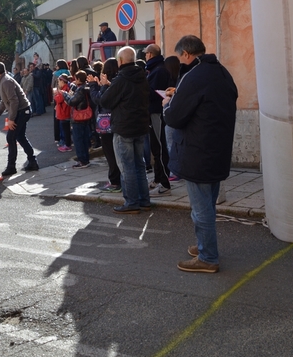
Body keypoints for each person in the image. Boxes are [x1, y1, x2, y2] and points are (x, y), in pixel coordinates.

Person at [163, 35, 237, 274]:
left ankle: (208, 257)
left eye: (180, 57)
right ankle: (205, 246)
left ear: (186, 54)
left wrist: (168, 103)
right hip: (217, 149)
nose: (180, 62)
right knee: (207, 205)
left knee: (201, 208)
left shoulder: (193, 77)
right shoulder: (221, 72)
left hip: (197, 152)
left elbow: (175, 117)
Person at [98, 46, 151, 213]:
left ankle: (132, 202)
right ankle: (144, 200)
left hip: (124, 127)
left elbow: (105, 101)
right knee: (139, 165)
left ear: (120, 61)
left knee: (127, 167)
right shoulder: (142, 75)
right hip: (140, 125)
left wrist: (105, 86)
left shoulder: (121, 79)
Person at [0, 61, 39, 176]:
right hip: (22, 110)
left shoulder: (6, 81)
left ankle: (11, 167)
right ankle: (32, 161)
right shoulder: (4, 80)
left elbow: (14, 101)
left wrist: (11, 119)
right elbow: (4, 100)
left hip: (22, 111)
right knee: (20, 136)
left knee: (11, 137)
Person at [88, 57, 122, 192]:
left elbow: (98, 99)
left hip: (107, 123)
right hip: (117, 121)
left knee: (110, 153)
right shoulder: (118, 82)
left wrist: (93, 85)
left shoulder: (109, 85)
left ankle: (115, 182)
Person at [145, 44, 172, 194]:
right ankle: (157, 178)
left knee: (160, 148)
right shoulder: (154, 68)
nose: (145, 56)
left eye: (146, 54)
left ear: (150, 54)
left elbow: (154, 93)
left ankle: (165, 182)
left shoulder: (159, 70)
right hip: (152, 112)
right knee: (155, 148)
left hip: (156, 112)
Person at [65, 70, 92, 168]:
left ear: (79, 79)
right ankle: (86, 159)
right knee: (84, 138)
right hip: (86, 116)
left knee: (78, 140)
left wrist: (65, 94)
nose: (74, 81)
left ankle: (82, 160)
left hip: (78, 117)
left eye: (75, 79)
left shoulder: (81, 89)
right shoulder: (87, 87)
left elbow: (72, 101)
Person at [53, 74, 72, 152]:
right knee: (65, 129)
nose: (58, 83)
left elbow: (59, 100)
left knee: (65, 129)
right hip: (63, 111)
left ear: (62, 82)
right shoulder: (66, 88)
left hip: (64, 112)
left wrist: (55, 94)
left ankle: (67, 145)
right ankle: (67, 143)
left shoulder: (64, 89)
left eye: (59, 81)